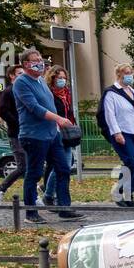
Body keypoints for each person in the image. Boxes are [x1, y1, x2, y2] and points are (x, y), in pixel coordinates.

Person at [11, 48, 79, 223]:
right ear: (26, 64)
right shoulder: (21, 83)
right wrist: (59, 119)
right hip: (33, 135)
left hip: (51, 134)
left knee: (63, 169)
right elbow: (35, 108)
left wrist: (57, 123)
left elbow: (50, 104)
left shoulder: (41, 81)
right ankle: (31, 213)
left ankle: (64, 208)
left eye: (40, 59)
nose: (40, 63)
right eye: (35, 60)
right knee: (34, 173)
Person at [101, 64, 134, 206]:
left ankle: (129, 196)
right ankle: (119, 193)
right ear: (119, 74)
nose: (129, 75)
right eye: (126, 73)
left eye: (131, 72)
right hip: (121, 132)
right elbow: (109, 115)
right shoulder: (111, 93)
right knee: (132, 162)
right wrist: (116, 133)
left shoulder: (132, 91)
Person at [39, 65, 74, 208]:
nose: (62, 81)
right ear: (52, 78)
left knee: (65, 165)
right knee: (62, 166)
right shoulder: (49, 94)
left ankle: (49, 195)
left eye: (64, 78)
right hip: (55, 132)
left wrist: (73, 127)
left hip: (66, 133)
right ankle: (50, 196)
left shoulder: (66, 94)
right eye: (59, 78)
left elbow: (69, 113)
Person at [0, 66, 26, 205]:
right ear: (12, 76)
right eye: (19, 73)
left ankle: (33, 194)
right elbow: (2, 111)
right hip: (16, 134)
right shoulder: (8, 92)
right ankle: (1, 189)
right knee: (22, 167)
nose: (22, 76)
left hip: (29, 133)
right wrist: (17, 122)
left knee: (33, 167)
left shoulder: (25, 90)